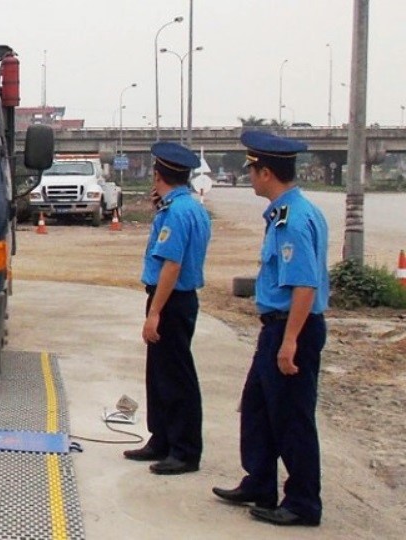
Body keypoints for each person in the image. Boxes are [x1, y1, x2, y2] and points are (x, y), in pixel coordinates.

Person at [212, 131, 329, 527]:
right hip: (276, 328)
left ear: (265, 172)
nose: (250, 178)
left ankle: (302, 502)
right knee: (258, 409)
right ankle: (260, 482)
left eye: (252, 170)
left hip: (291, 328)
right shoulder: (287, 212)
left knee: (293, 418)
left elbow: (305, 285)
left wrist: (290, 341)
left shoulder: (292, 220)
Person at [123, 141, 211, 475]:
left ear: (158, 174)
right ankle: (161, 439)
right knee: (159, 374)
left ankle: (184, 450)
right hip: (174, 298)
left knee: (175, 376)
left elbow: (171, 265)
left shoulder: (176, 212)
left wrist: (155, 312)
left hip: (171, 299)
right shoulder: (189, 206)